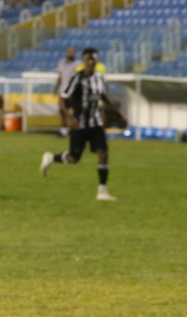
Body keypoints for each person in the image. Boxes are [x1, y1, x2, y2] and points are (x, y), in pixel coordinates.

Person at [40, 48, 119, 201]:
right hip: (79, 123)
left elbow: (103, 95)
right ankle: (50, 158)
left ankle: (102, 191)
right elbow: (63, 98)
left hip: (95, 122)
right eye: (88, 58)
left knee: (103, 153)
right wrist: (68, 117)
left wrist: (113, 105)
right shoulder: (77, 78)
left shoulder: (100, 78)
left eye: (94, 58)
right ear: (83, 61)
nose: (91, 61)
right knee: (73, 158)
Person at [54, 47, 81, 137]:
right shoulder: (62, 64)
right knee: (62, 112)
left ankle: (74, 129)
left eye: (72, 52)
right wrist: (56, 88)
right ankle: (63, 131)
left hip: (73, 92)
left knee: (75, 112)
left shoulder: (78, 64)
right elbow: (60, 77)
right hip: (63, 91)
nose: (70, 54)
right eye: (69, 52)